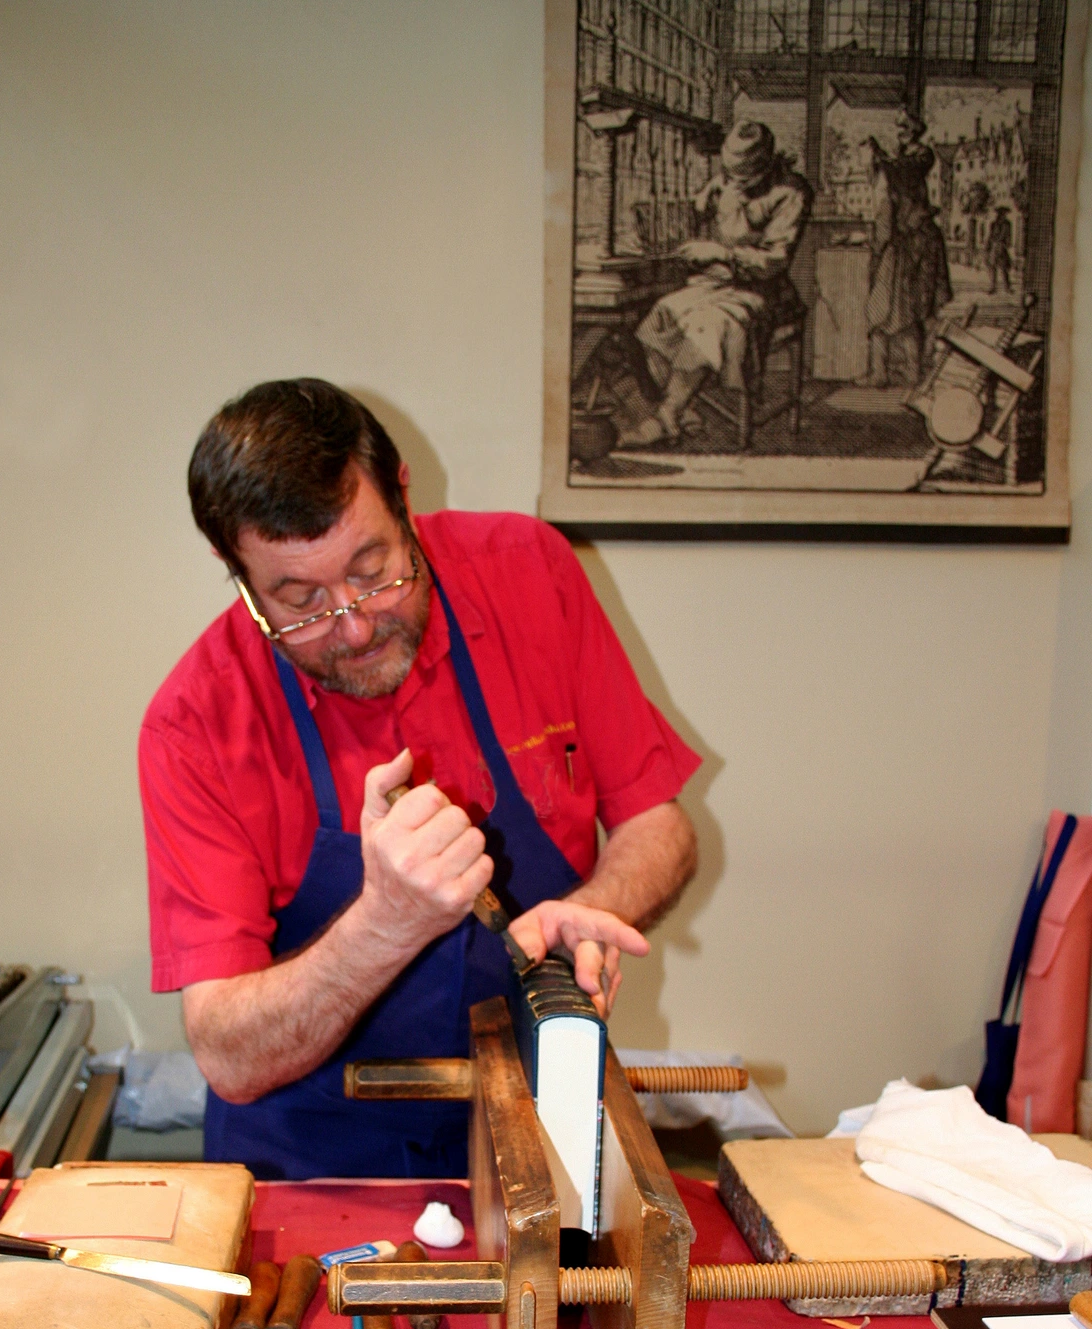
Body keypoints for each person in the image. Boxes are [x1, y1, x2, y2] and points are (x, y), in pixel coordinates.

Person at [139, 380, 700, 1180]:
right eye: (300, 604)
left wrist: (588, 914)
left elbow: (661, 825)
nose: (356, 625)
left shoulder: (528, 573)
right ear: (235, 572)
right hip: (310, 1167)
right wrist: (385, 924)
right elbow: (228, 1054)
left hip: (535, 1129)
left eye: (374, 570)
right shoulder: (195, 723)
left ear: (402, 497)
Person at [620, 120, 811, 447]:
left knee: (708, 325)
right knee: (658, 317)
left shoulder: (791, 192)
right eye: (731, 175)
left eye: (743, 179)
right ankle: (684, 406)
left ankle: (667, 417)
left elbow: (775, 260)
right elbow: (692, 211)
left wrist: (720, 251)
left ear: (766, 164)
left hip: (764, 290)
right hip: (712, 283)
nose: (734, 184)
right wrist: (647, 224)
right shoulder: (723, 182)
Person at [865, 111, 952, 388]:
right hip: (902, 240)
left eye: (905, 126)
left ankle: (913, 373)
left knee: (911, 310)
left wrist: (882, 158)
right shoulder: (902, 158)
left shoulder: (921, 156)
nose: (899, 130)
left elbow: (904, 170)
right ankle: (890, 372)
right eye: (898, 126)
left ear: (915, 129)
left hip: (917, 242)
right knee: (892, 309)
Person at [986, 206, 1014, 295]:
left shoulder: (1007, 224)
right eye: (1001, 214)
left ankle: (1007, 287)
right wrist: (988, 246)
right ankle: (993, 287)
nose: (1002, 215)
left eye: (1003, 214)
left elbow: (1008, 236)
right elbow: (990, 236)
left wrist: (1007, 244)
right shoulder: (993, 224)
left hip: (1002, 246)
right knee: (992, 267)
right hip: (994, 247)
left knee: (1004, 268)